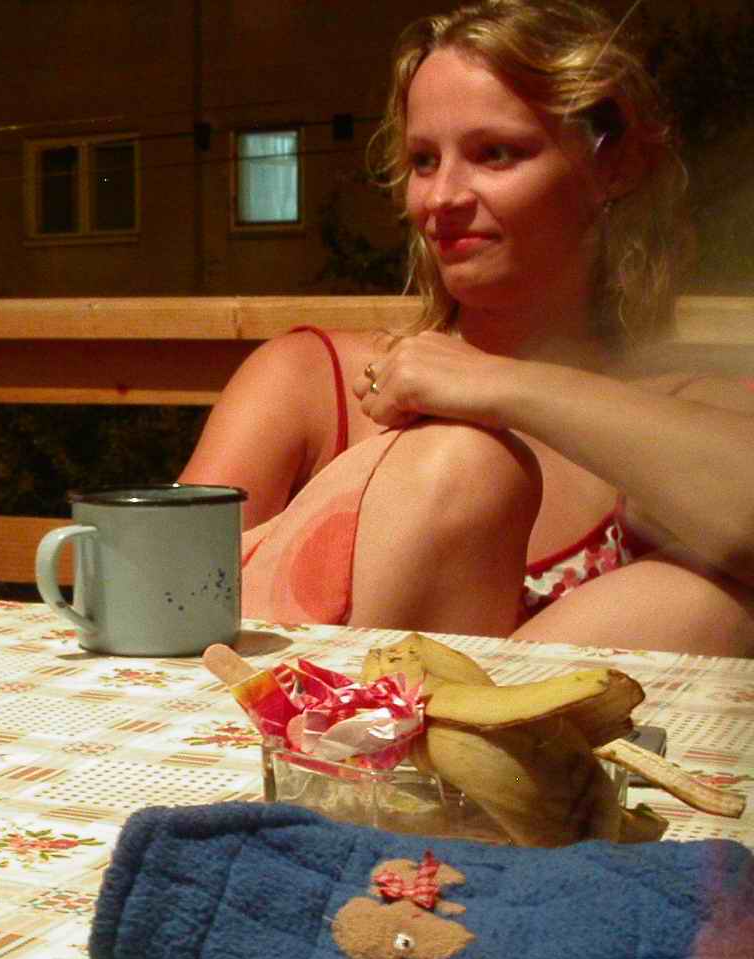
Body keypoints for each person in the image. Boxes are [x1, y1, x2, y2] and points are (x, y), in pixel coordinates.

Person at [178, 0, 754, 657]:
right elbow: (157, 600)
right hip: (298, 719)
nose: (442, 196)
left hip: (535, 723)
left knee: (695, 601)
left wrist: (499, 386)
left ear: (613, 165)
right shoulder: (311, 381)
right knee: (460, 463)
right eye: (424, 160)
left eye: (495, 153)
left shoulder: (682, 407)